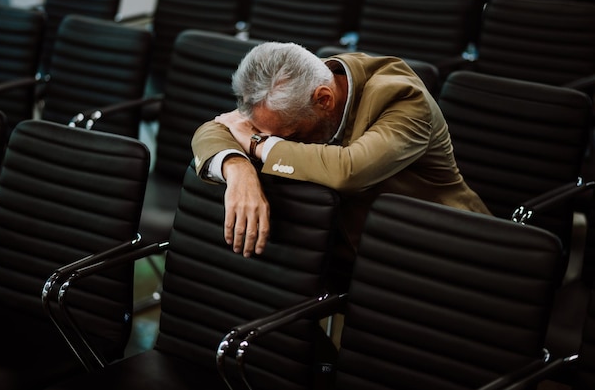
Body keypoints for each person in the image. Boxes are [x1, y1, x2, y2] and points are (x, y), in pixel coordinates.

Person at [192, 41, 490, 289]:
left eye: (289, 137)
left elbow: (350, 170)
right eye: (262, 133)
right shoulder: (288, 86)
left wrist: (257, 144)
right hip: (348, 249)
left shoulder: (403, 99)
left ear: (324, 100)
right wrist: (238, 169)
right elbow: (215, 128)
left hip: (442, 255)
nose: (270, 139)